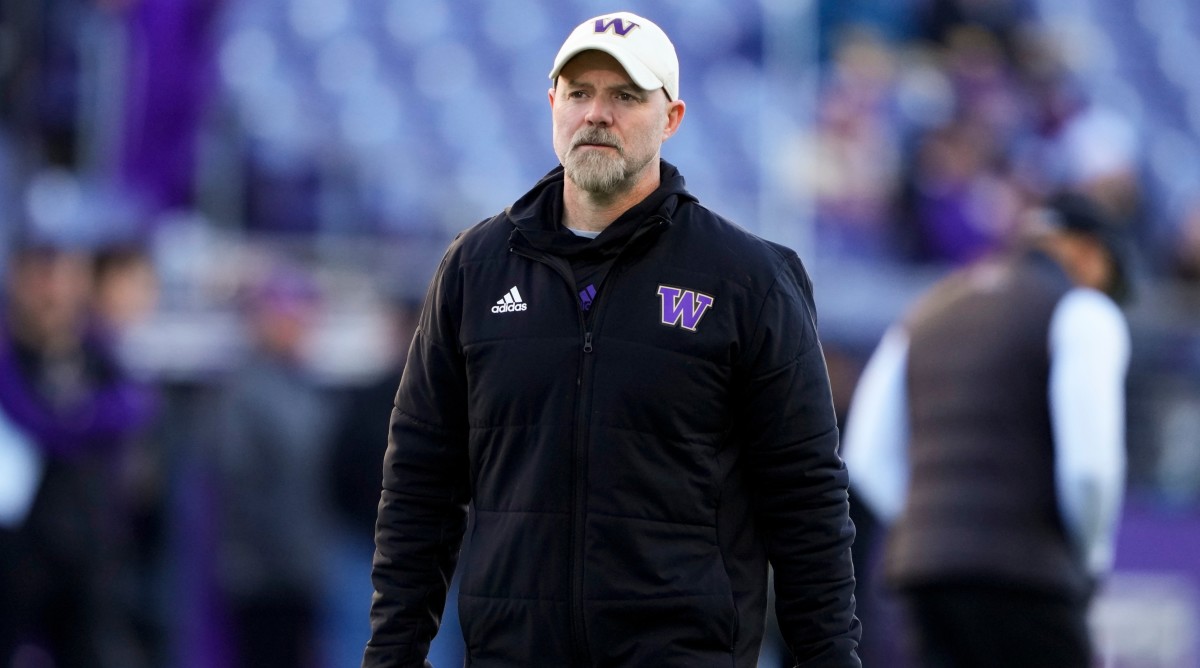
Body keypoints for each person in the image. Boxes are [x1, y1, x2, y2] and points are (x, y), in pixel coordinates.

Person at [363, 11, 860, 667]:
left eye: (626, 95)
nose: (597, 113)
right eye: (579, 93)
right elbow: (420, 484)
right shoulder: (474, 270)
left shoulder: (748, 281)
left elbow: (806, 500)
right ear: (552, 106)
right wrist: (392, 655)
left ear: (672, 117)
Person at [841, 191, 1131, 668]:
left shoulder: (928, 310)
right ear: (1087, 253)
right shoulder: (1082, 311)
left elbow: (865, 456)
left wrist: (934, 525)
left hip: (925, 579)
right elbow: (1090, 470)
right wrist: (1089, 560)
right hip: (1029, 578)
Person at [0, 236, 157, 668]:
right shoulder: (11, 355)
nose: (52, 293)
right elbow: (32, 419)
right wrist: (79, 422)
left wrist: (76, 419)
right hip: (19, 550)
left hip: (90, 546)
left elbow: (137, 405)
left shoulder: (94, 353)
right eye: (41, 279)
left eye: (63, 279)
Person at [208, 262, 335, 668]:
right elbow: (239, 485)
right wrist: (288, 556)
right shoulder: (243, 392)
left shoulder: (309, 387)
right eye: (286, 316)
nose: (296, 326)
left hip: (304, 571)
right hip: (261, 576)